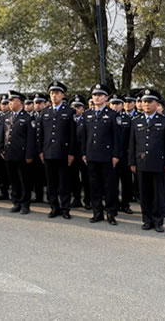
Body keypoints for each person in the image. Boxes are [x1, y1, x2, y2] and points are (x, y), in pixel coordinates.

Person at [128, 89, 165, 232]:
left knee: (158, 194)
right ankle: (147, 220)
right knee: (144, 194)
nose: (146, 104)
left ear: (156, 103)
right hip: (141, 163)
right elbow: (132, 144)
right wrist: (132, 162)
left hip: (158, 164)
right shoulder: (136, 121)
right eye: (144, 102)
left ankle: (158, 221)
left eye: (150, 102)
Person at [81, 84, 121, 225]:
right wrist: (84, 153)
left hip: (107, 156)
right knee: (94, 185)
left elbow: (117, 138)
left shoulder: (113, 115)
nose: (97, 97)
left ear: (106, 97)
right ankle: (97, 212)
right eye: (94, 95)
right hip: (91, 155)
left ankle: (111, 212)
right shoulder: (87, 115)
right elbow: (84, 136)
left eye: (100, 95)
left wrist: (116, 155)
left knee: (109, 186)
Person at [38, 82, 75, 219]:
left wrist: (71, 153)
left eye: (57, 93)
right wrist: (41, 151)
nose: (54, 96)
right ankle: (54, 207)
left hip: (63, 153)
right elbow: (41, 134)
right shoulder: (44, 112)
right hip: (48, 152)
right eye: (52, 93)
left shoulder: (69, 112)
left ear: (63, 95)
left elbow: (72, 135)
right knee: (51, 183)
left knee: (64, 183)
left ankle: (65, 208)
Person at [2, 90, 37, 215]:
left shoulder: (28, 118)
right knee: (13, 180)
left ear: (20, 102)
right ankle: (16, 202)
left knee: (24, 181)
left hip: (22, 155)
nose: (10, 103)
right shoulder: (7, 117)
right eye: (9, 101)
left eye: (12, 100)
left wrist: (29, 155)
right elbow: (4, 135)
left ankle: (25, 204)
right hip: (9, 153)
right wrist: (2, 149)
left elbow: (31, 139)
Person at [108, 94, 134, 214]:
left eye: (117, 104)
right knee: (112, 182)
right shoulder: (106, 117)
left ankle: (125, 204)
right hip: (110, 155)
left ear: (122, 105)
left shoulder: (128, 119)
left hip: (124, 155)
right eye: (113, 103)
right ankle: (113, 204)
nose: (115, 106)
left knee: (126, 182)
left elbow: (131, 139)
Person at [69, 94, 90, 209]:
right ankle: (76, 199)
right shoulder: (69, 120)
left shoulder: (87, 119)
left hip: (84, 154)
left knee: (86, 178)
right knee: (73, 178)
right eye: (73, 107)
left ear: (83, 109)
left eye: (78, 107)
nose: (76, 109)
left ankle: (88, 200)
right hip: (72, 153)